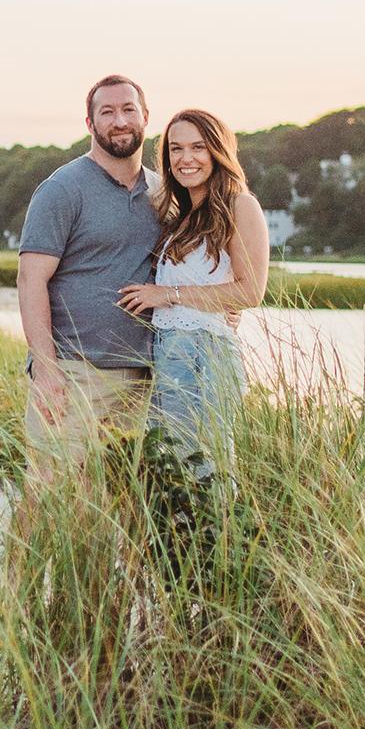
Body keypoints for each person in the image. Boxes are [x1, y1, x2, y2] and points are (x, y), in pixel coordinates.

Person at [15, 75, 163, 486]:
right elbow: (30, 281)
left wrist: (226, 304)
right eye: (107, 112)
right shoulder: (62, 189)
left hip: (144, 376)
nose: (120, 121)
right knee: (50, 493)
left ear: (145, 117)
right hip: (75, 372)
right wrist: (46, 370)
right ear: (90, 123)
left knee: (119, 500)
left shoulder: (162, 192)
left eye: (128, 110)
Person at [116, 107, 266, 475]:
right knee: (172, 471)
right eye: (176, 149)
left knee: (206, 469)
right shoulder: (182, 214)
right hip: (170, 352)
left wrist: (167, 294)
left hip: (205, 354)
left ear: (218, 151)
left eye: (198, 147)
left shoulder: (240, 205)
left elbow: (251, 292)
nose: (186, 159)